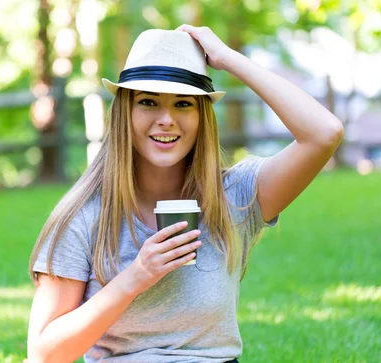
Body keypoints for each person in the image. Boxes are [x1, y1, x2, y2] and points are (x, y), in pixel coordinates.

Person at [27, 25, 344, 362]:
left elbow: (324, 134)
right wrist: (135, 278)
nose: (166, 119)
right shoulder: (84, 216)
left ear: (202, 116)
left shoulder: (235, 198)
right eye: (148, 102)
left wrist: (228, 59)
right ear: (125, 112)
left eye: (183, 104)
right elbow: (44, 354)